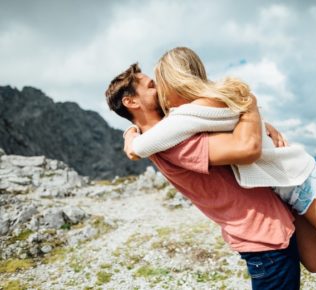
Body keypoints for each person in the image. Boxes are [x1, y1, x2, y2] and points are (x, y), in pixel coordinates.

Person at [121, 47, 316, 272]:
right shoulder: (211, 104)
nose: (159, 91)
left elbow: (141, 147)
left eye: (159, 82)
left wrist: (130, 134)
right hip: (283, 190)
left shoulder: (188, 115)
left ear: (175, 79)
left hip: (298, 182)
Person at [106, 64, 301, 290]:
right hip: (265, 237)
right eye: (151, 86)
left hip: (266, 233)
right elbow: (246, 147)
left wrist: (262, 124)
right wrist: (250, 103)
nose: (160, 87)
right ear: (131, 102)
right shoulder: (172, 143)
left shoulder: (156, 134)